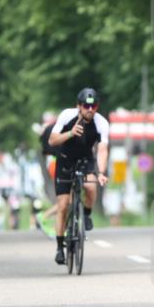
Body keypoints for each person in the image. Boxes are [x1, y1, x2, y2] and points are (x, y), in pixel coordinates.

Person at [47, 88, 109, 265]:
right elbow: (52, 140)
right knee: (63, 205)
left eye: (94, 106)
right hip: (65, 161)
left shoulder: (101, 123)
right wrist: (70, 133)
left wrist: (102, 172)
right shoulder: (67, 116)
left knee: (91, 186)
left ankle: (87, 214)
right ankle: (60, 247)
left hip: (85, 160)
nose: (90, 109)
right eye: (86, 105)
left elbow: (103, 149)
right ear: (78, 106)